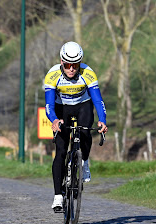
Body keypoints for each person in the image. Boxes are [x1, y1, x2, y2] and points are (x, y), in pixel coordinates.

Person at [44, 41, 108, 210]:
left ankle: (84, 162)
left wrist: (102, 120)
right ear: (61, 62)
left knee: (86, 132)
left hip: (82, 105)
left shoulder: (88, 73)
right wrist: (55, 120)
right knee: (61, 151)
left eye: (75, 65)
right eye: (67, 65)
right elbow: (49, 105)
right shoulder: (52, 76)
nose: (72, 69)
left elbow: (98, 100)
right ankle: (58, 196)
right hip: (61, 108)